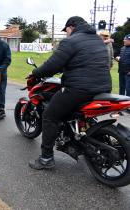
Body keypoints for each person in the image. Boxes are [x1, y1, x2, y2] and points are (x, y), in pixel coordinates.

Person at [28, 16, 112, 170]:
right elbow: (85, 61)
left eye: (66, 30)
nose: (66, 33)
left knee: (49, 115)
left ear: (71, 27)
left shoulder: (70, 41)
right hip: (103, 87)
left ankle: (46, 158)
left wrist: (36, 72)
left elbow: (52, 65)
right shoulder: (97, 40)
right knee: (67, 108)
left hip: (79, 89)